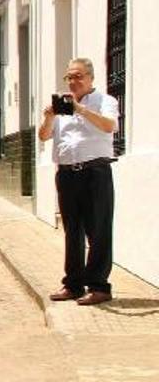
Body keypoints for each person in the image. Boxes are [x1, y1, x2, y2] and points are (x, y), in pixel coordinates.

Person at [39, 58, 119, 307]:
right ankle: (73, 284)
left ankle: (99, 286)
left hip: (95, 172)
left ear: (90, 77)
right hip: (66, 174)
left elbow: (109, 126)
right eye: (69, 77)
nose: (73, 82)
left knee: (98, 230)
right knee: (72, 230)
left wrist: (80, 109)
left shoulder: (105, 101)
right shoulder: (61, 107)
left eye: (78, 76)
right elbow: (43, 136)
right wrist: (49, 117)